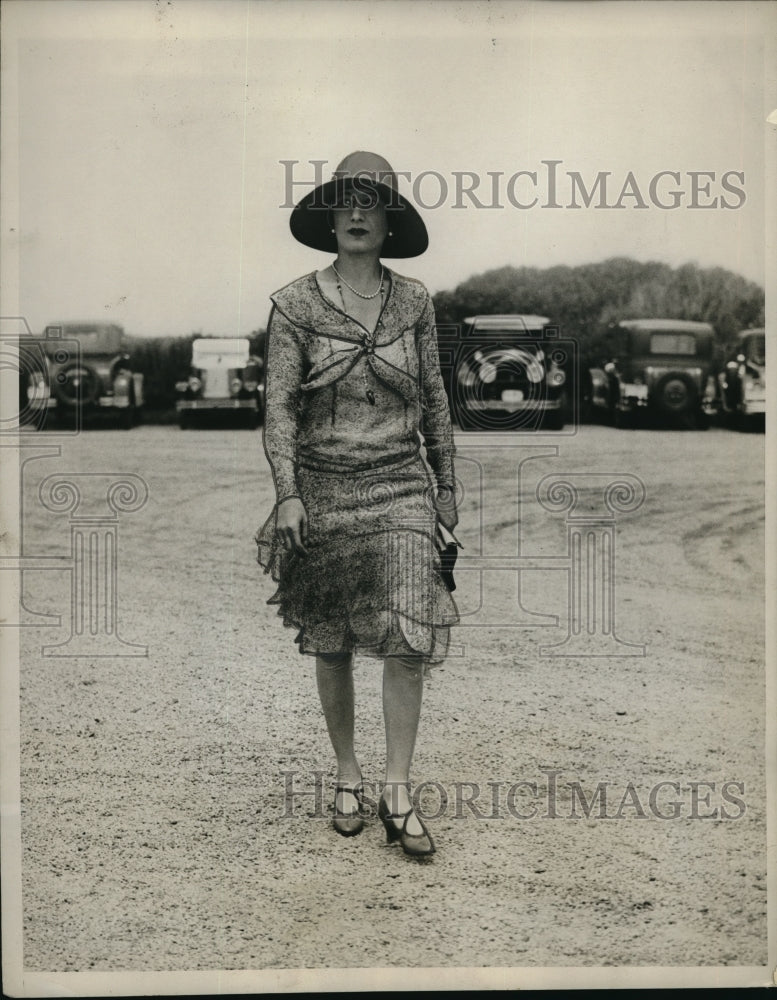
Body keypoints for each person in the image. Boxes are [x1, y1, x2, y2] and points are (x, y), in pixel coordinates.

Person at [255, 151, 458, 857]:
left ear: (390, 220)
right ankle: (347, 774)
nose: (358, 214)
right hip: (322, 486)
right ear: (331, 218)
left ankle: (396, 790)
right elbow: (278, 410)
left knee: (410, 634)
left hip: (401, 482)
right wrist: (286, 495)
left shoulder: (416, 303)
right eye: (346, 202)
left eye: (372, 203)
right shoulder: (294, 305)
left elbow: (434, 398)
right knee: (334, 638)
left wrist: (447, 491)